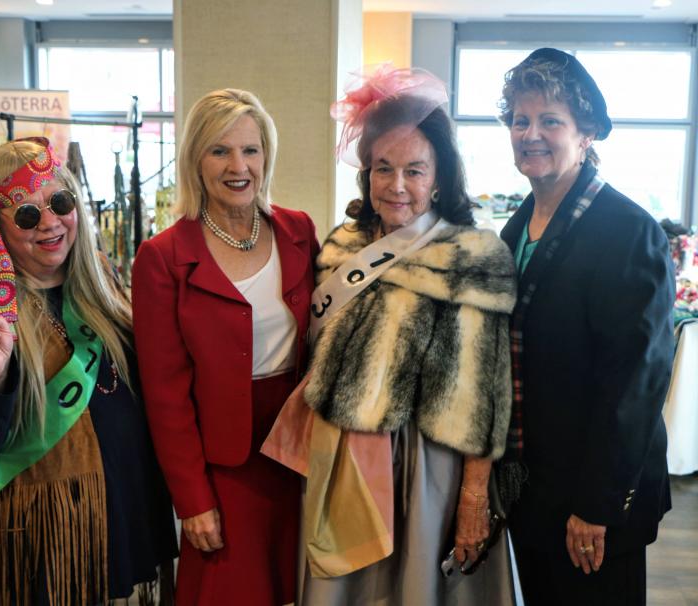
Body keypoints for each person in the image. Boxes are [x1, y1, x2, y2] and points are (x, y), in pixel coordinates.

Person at [265, 65, 518, 605]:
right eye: (383, 168)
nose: (397, 185)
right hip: (340, 462)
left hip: (425, 472)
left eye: (415, 170)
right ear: (367, 174)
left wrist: (473, 497)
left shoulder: (473, 256)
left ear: (441, 176)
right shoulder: (340, 246)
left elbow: (484, 394)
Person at [0, 137, 177, 605]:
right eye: (28, 215)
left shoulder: (100, 283)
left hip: (118, 509)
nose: (52, 222)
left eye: (60, 201)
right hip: (40, 541)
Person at [498, 48, 675, 606]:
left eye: (551, 120)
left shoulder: (629, 231)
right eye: (520, 120)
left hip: (593, 497)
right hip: (532, 488)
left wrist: (596, 505)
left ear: (587, 133)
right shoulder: (516, 227)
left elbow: (636, 383)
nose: (532, 134)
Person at [131, 89, 318, 606]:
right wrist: (192, 500)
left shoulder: (299, 231)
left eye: (250, 150)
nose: (238, 166)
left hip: (301, 452)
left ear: (267, 156)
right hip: (223, 468)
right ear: (196, 158)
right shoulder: (163, 257)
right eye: (220, 151)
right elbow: (165, 395)